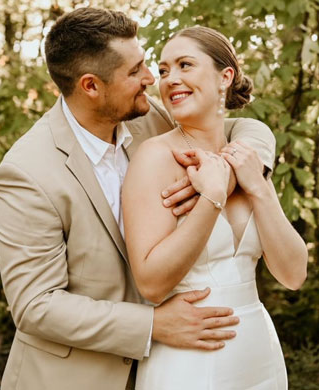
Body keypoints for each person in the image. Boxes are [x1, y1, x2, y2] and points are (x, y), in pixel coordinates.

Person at [0, 8, 284, 390]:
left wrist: (228, 175)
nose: (151, 79)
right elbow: (35, 306)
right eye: (135, 72)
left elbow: (241, 125)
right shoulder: (27, 172)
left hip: (177, 368)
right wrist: (153, 325)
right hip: (76, 378)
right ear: (91, 86)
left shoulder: (147, 117)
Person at [123, 26, 308, 390]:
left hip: (259, 353)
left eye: (185, 65)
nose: (170, 79)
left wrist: (258, 187)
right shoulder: (155, 157)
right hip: (190, 358)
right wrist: (210, 198)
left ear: (225, 77)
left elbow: (293, 274)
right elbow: (152, 284)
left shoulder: (245, 159)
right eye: (163, 71)